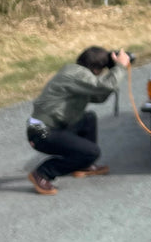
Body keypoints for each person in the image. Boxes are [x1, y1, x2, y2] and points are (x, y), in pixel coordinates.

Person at [26, 46, 131, 195]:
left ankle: (83, 166)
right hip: (41, 133)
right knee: (92, 152)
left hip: (52, 126)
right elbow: (104, 85)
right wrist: (119, 67)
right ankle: (43, 173)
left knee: (88, 118)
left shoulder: (76, 73)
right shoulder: (76, 74)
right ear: (96, 68)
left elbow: (99, 96)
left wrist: (115, 70)